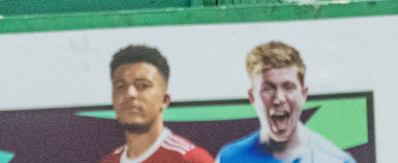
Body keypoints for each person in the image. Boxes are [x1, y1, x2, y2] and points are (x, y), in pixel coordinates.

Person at [216, 42, 351, 163]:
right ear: (252, 97)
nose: (278, 98)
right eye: (268, 88)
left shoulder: (335, 160)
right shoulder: (229, 159)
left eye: (288, 87)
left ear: (303, 95)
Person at [103, 45, 214, 163]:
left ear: (164, 100)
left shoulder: (190, 159)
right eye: (120, 86)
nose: (130, 94)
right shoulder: (109, 161)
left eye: (143, 85)